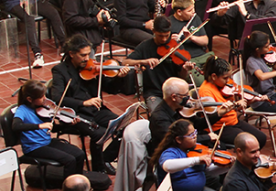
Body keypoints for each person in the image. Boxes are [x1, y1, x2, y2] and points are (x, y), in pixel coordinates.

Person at [49, 35, 131, 174]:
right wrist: (83, 103)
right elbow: (56, 98)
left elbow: (111, 89)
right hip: (76, 114)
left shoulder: (93, 67)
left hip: (96, 110)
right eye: (83, 55)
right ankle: (98, 170)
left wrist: (119, 78)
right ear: (71, 54)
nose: (87, 59)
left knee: (125, 127)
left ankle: (105, 158)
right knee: (99, 134)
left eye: (88, 54)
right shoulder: (60, 70)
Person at [12, 80, 88, 179]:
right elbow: (16, 126)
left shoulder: (42, 108)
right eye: (41, 97)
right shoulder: (22, 110)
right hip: (34, 148)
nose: (45, 99)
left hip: (47, 142)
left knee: (79, 154)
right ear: (30, 99)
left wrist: (68, 124)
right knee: (69, 160)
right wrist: (39, 126)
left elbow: (54, 129)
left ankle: (78, 183)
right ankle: (69, 190)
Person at [120, 16, 192, 112]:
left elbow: (181, 77)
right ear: (153, 31)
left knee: (189, 112)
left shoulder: (176, 46)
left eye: (167, 35)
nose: (163, 39)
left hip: (175, 92)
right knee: (157, 115)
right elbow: (125, 62)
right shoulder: (145, 46)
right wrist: (144, 61)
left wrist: (185, 69)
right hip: (154, 92)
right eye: (160, 36)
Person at [199, 57, 268, 148]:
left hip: (233, 121)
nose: (228, 81)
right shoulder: (206, 91)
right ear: (214, 76)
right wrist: (235, 105)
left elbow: (237, 108)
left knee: (261, 138)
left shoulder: (225, 87)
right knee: (247, 142)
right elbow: (213, 115)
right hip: (220, 127)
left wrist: (251, 101)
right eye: (225, 78)